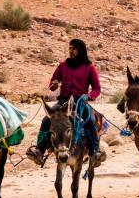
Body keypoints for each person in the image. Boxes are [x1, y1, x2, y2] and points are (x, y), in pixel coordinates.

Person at [29, 39, 104, 167]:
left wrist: (89, 96)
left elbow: (97, 89)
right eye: (70, 48)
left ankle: (95, 152)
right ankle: (40, 151)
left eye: (74, 49)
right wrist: (54, 85)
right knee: (46, 120)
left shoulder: (90, 68)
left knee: (90, 120)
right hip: (63, 101)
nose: (71, 51)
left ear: (80, 50)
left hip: (80, 102)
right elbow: (53, 83)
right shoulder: (62, 66)